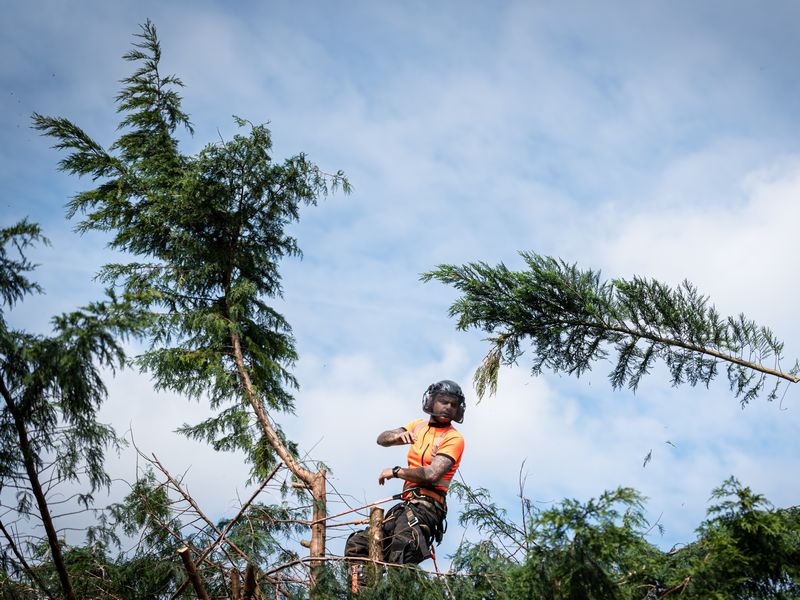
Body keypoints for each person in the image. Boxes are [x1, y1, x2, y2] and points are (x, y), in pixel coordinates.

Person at [345, 380, 466, 578]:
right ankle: (362, 592)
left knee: (402, 550)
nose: (449, 407)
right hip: (406, 505)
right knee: (358, 545)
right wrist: (396, 437)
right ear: (431, 401)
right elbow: (381, 438)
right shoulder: (418, 426)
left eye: (453, 404)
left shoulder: (454, 438)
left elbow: (432, 474)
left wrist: (396, 472)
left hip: (427, 508)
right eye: (444, 401)